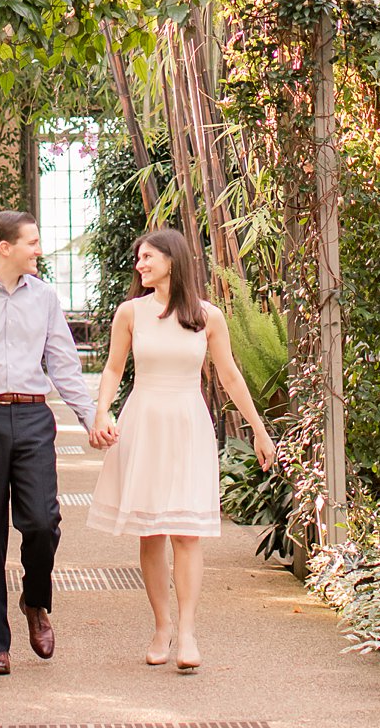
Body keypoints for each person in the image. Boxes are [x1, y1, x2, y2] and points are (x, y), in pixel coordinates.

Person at [0, 208, 116, 675]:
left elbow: (64, 364)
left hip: (34, 415)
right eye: (32, 242)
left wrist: (91, 417)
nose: (39, 250)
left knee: (41, 521)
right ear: (4, 247)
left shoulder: (46, 298)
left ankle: (35, 600)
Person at [88, 226, 277, 673]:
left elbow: (230, 375)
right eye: (139, 258)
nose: (140, 265)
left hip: (188, 424)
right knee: (150, 532)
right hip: (144, 421)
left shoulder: (207, 315)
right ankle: (161, 626)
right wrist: (102, 413)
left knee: (186, 533)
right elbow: (114, 368)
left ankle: (188, 631)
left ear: (172, 260)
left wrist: (259, 428)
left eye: (148, 257)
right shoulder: (130, 313)